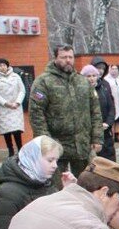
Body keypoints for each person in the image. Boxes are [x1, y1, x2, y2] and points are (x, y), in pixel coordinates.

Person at [31, 46, 103, 181]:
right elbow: (36, 114)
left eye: (70, 57)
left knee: (87, 183)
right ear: (55, 58)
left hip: (82, 145)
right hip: (57, 145)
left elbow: (95, 111)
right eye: (63, 57)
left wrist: (97, 137)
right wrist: (46, 142)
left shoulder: (82, 81)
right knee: (57, 186)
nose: (68, 60)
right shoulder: (43, 81)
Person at [80, 65, 116, 162]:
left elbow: (111, 108)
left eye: (94, 75)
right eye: (88, 76)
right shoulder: (80, 93)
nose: (91, 78)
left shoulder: (104, 89)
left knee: (109, 164)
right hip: (89, 135)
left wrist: (108, 123)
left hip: (106, 133)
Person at [0, 59, 26, 157]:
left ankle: (20, 149)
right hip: (3, 108)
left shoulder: (16, 76)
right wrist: (6, 103)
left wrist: (17, 102)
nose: (3, 67)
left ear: (8, 66)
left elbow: (22, 90)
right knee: (7, 131)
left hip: (15, 106)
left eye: (4, 65)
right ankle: (10, 150)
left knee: (17, 130)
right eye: (0, 65)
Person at [90, 58, 118, 161]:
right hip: (92, 133)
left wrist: (109, 122)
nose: (100, 70)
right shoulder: (85, 86)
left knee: (110, 163)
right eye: (98, 68)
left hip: (106, 131)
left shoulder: (105, 85)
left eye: (103, 68)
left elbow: (111, 106)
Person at [104, 63, 119, 143]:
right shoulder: (106, 79)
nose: (114, 71)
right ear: (109, 70)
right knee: (111, 120)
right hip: (111, 103)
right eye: (113, 69)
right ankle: (110, 136)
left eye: (116, 69)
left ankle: (117, 136)